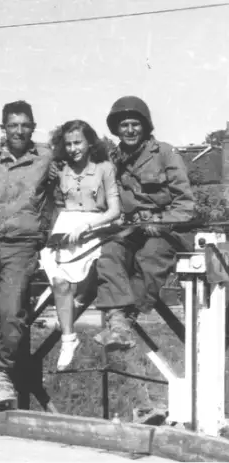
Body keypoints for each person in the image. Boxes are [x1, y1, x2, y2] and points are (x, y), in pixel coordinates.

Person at [0, 100, 54, 409]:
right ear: (3, 128)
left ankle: (3, 374)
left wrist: (50, 234)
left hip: (23, 246)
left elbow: (70, 184)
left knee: (12, 313)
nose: (19, 130)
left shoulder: (46, 158)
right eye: (13, 125)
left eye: (25, 125)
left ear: (32, 126)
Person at [93, 96, 195, 350]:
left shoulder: (165, 153)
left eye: (135, 124)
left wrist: (159, 220)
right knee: (110, 252)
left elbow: (186, 206)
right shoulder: (112, 160)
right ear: (116, 129)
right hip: (131, 230)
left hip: (167, 232)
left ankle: (127, 319)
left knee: (150, 256)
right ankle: (117, 319)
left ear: (146, 126)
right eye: (124, 125)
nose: (129, 130)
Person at [40, 120, 121, 370]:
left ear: (89, 143)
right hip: (65, 227)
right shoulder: (60, 169)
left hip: (95, 226)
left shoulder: (104, 168)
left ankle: (72, 317)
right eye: (68, 144)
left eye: (78, 142)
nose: (73, 148)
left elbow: (115, 210)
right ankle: (68, 339)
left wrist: (88, 227)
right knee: (60, 282)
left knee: (86, 288)